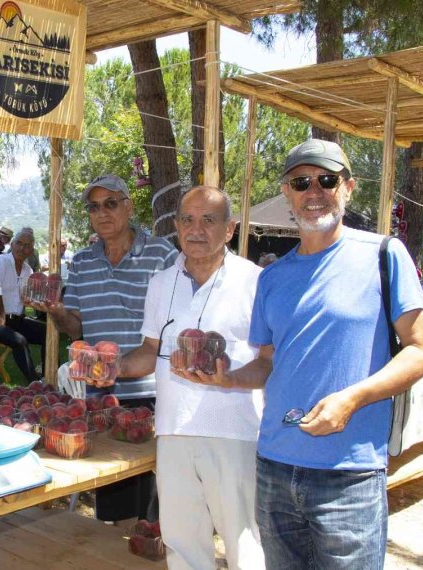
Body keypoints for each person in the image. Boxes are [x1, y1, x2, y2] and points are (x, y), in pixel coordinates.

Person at [187, 139, 423, 569]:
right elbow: (267, 362)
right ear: (287, 191)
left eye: (326, 179)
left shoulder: (383, 254)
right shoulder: (273, 277)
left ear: (349, 187)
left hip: (349, 475)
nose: (314, 191)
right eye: (302, 182)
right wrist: (227, 378)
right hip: (275, 469)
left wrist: (352, 398)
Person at [118, 186, 264, 569]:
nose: (196, 229)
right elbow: (150, 352)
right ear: (176, 226)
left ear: (229, 229)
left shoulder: (256, 282)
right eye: (187, 219)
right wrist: (111, 367)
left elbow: (272, 360)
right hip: (173, 431)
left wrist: (229, 378)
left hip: (234, 432)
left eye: (208, 220)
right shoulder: (161, 283)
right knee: (181, 541)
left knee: (244, 542)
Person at [27, 173, 178, 523]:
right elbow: (75, 326)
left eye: (111, 203)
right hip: (101, 394)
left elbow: (176, 319)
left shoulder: (160, 254)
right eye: (94, 207)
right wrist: (57, 312)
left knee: (155, 495)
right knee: (110, 489)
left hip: (153, 391)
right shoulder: (81, 262)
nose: (103, 212)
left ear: (129, 205)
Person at [0, 229, 46, 383]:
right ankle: (34, 382)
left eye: (27, 246)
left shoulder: (28, 270)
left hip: (15, 320)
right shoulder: (1, 261)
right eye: (19, 243)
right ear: (12, 244)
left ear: (31, 251)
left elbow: (27, 298)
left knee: (48, 332)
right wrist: (2, 315)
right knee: (19, 340)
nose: (22, 248)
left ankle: (49, 375)